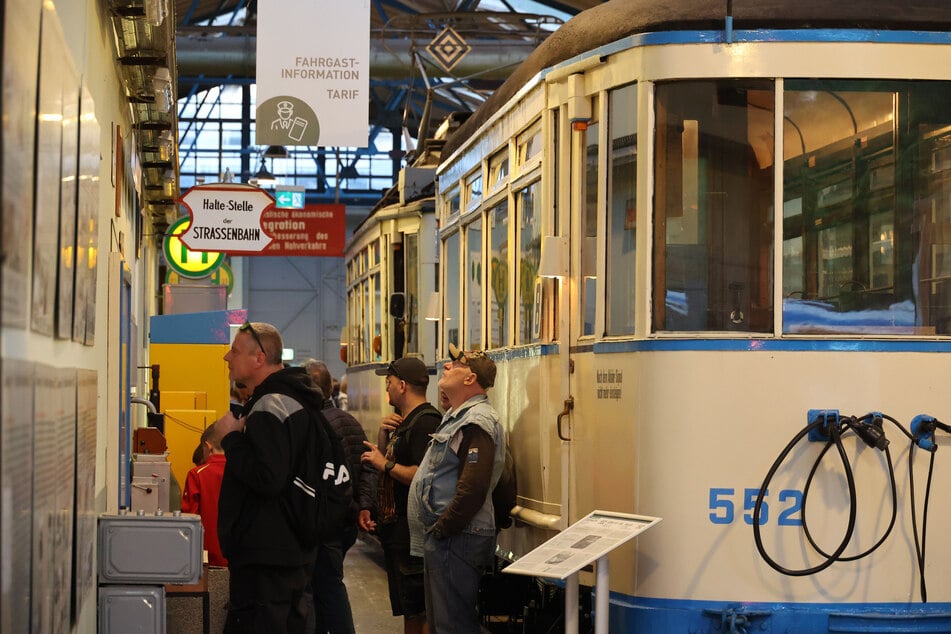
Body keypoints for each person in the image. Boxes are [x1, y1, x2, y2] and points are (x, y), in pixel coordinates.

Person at [215, 321, 324, 633]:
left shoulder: (268, 406)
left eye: (234, 351)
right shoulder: (295, 398)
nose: (227, 357)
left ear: (259, 359)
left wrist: (231, 438)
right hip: (290, 549)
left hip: (267, 555)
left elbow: (268, 477)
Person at [409, 345, 506, 634]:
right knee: (443, 623)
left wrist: (443, 527)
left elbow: (473, 487)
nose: (447, 367)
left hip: (458, 537)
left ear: (469, 379)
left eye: (456, 365)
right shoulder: (457, 416)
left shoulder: (477, 421)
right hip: (450, 537)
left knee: (453, 625)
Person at [361, 357, 441, 634]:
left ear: (403, 386)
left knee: (418, 609)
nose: (388, 389)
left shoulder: (425, 422)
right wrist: (383, 436)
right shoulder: (405, 422)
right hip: (398, 532)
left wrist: (384, 464)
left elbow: (422, 475)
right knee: (409, 608)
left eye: (390, 383)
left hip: (411, 535)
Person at [301, 358, 375, 634]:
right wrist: (363, 506)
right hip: (345, 521)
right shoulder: (350, 421)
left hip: (327, 523)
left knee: (326, 588)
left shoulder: (316, 426)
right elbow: (367, 467)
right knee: (329, 585)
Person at [181, 425, 228, 567]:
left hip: (208, 558)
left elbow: (189, 519)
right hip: (240, 558)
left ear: (207, 446)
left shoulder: (197, 475)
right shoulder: (244, 472)